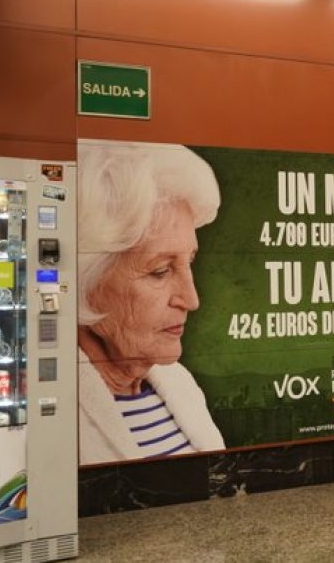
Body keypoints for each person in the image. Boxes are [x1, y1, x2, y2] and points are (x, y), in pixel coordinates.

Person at [77, 141, 226, 465]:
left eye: (190, 263)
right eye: (160, 271)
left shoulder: (179, 383)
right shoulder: (52, 416)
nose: (191, 299)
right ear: (85, 283)